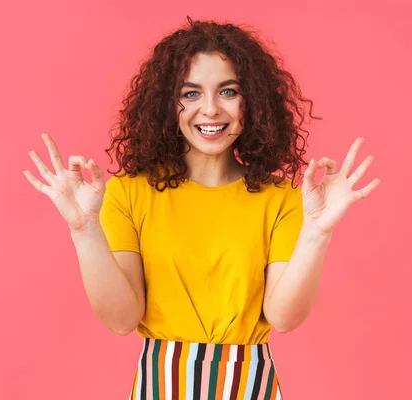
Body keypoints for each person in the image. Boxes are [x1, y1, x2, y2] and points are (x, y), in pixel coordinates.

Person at [24, 17, 380, 400]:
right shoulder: (127, 193)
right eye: (191, 94)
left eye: (228, 91)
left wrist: (317, 231)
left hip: (250, 387)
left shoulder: (283, 199)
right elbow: (121, 319)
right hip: (160, 385)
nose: (210, 110)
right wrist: (84, 229)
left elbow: (284, 318)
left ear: (252, 102)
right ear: (167, 105)